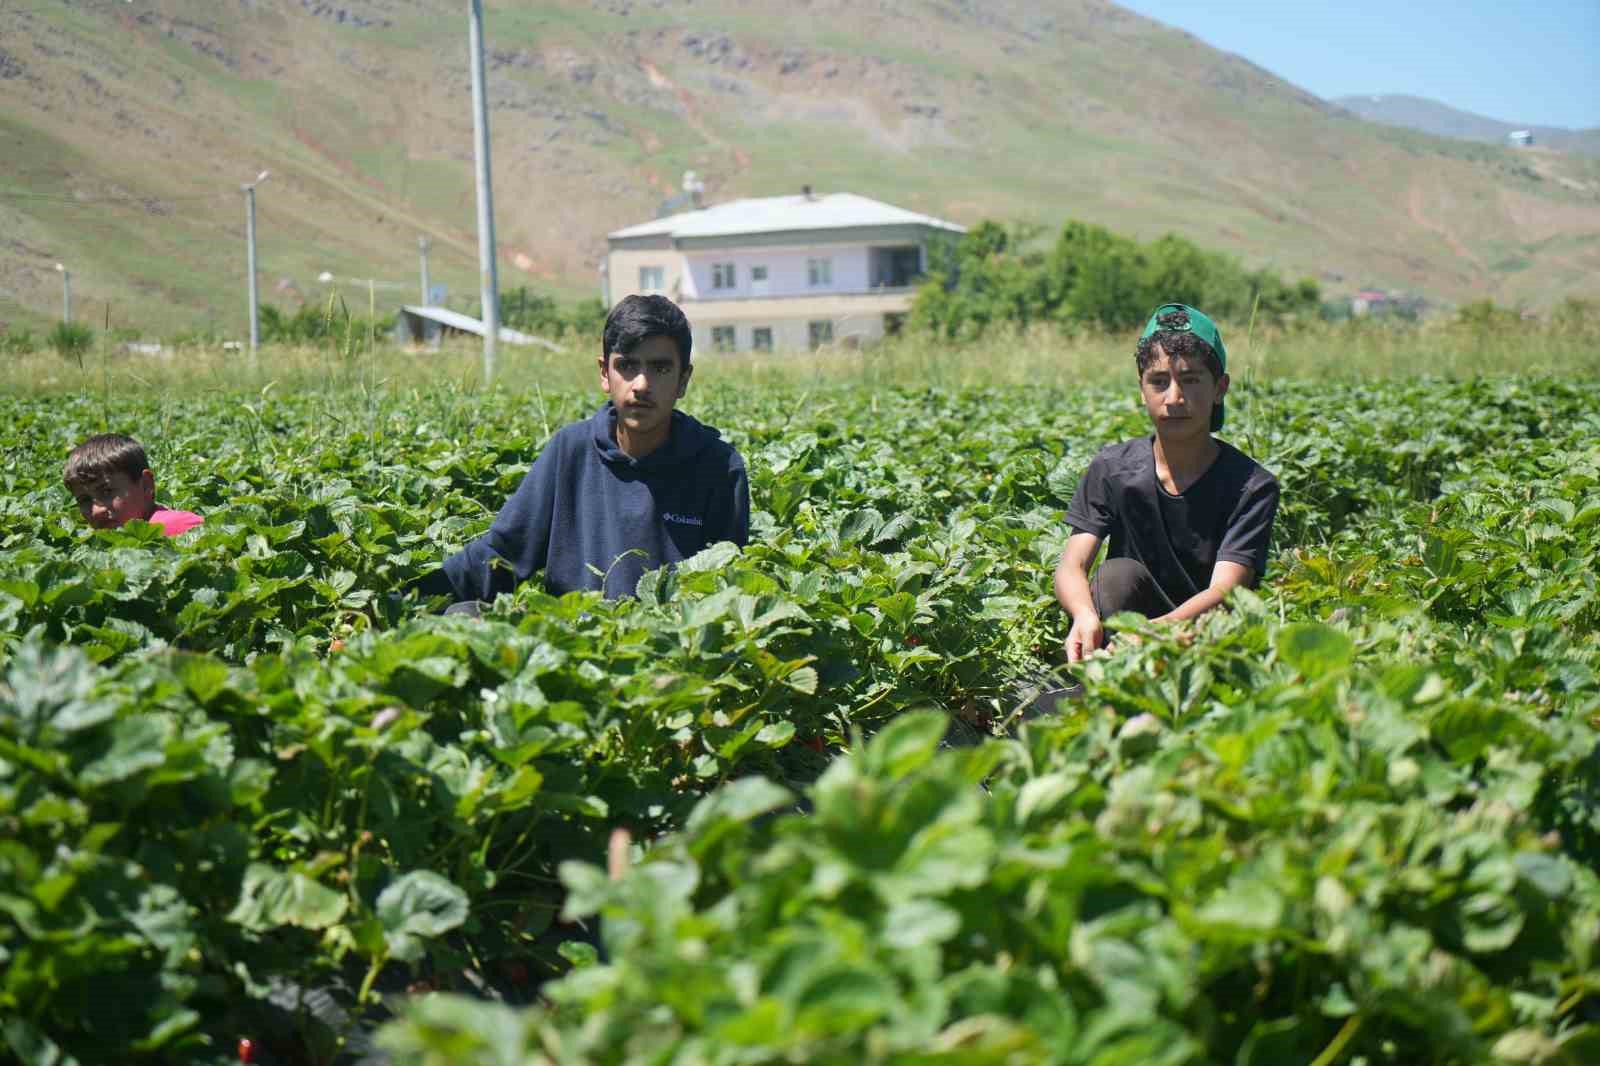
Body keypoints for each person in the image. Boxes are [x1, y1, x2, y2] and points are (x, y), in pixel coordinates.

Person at [418, 294, 749, 606]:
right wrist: (408, 597)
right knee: (463, 616)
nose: (642, 384)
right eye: (627, 366)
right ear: (605, 373)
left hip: (671, 650)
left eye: (660, 368)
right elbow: (502, 554)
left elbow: (725, 590)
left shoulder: (720, 467)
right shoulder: (570, 451)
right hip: (579, 646)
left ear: (683, 380)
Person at [1055, 303, 1279, 661]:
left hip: (1211, 635)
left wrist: (1156, 633)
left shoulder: (1251, 486)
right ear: (1142, 389)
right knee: (1115, 576)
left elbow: (1226, 590)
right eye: (1159, 381)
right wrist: (1083, 615)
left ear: (1220, 388)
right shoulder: (1112, 468)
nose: (1174, 398)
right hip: (1125, 628)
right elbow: (1071, 566)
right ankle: (1106, 670)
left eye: (1190, 380)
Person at [63, 433, 204, 536]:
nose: (96, 511)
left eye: (107, 491)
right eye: (84, 500)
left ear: (146, 485)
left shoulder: (173, 526)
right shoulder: (102, 542)